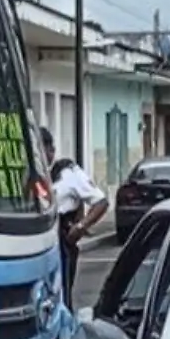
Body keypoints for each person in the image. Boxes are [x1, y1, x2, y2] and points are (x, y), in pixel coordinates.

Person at [38, 127, 107, 303]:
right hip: (38, 240)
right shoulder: (32, 175)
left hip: (62, 241)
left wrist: (81, 226)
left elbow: (101, 202)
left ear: (51, 150)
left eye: (40, 149)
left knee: (62, 296)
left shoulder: (67, 173)